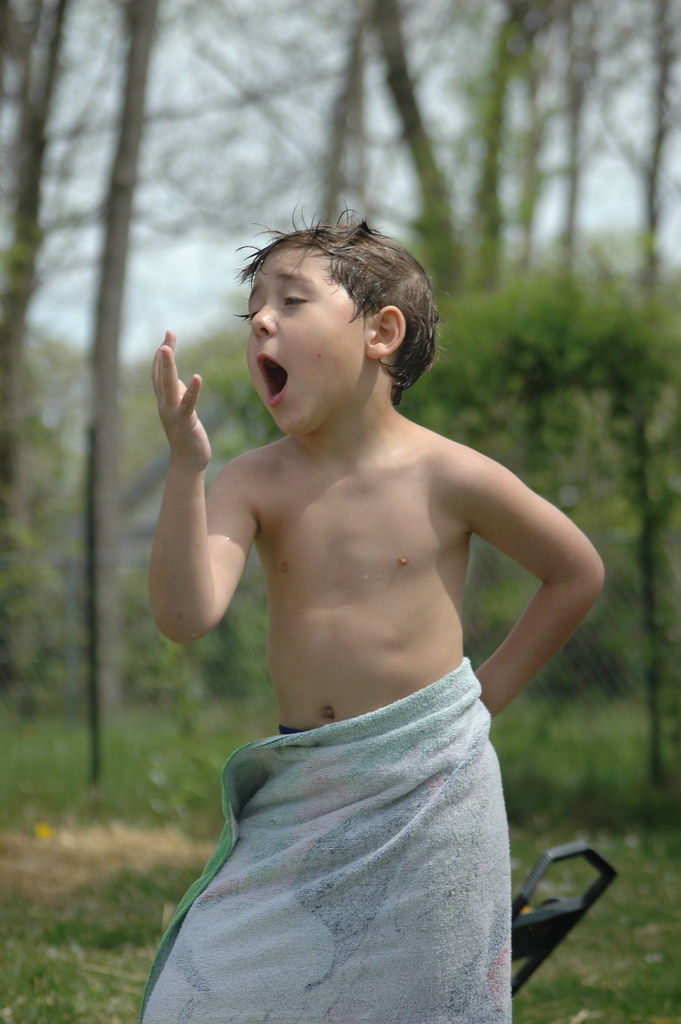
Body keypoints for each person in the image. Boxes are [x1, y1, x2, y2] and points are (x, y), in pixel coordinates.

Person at [140, 220, 604, 1024]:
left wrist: (479, 701)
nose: (261, 320)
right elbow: (185, 616)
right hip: (305, 787)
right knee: (199, 991)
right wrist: (187, 468)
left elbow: (574, 572)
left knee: (428, 996)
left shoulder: (448, 473)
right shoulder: (252, 482)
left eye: (291, 300)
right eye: (254, 306)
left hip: (432, 785)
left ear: (381, 333)